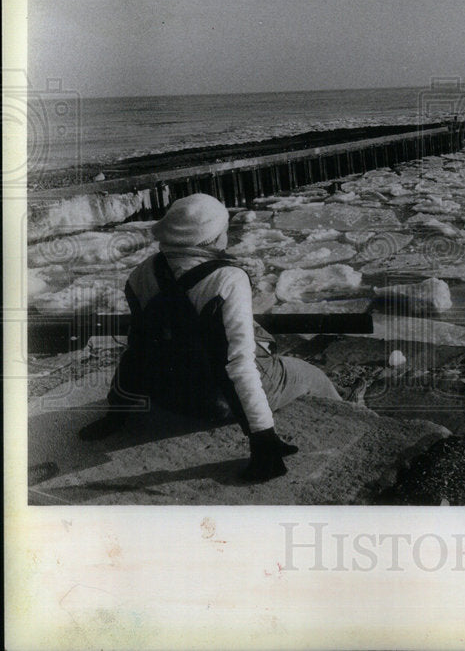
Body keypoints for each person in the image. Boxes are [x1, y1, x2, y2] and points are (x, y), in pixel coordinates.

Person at [78, 193, 340, 482]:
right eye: (223, 230)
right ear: (212, 238)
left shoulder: (142, 273)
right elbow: (239, 365)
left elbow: (137, 348)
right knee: (311, 375)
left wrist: (115, 414)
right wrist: (263, 440)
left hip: (171, 393)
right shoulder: (228, 279)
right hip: (216, 403)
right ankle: (348, 425)